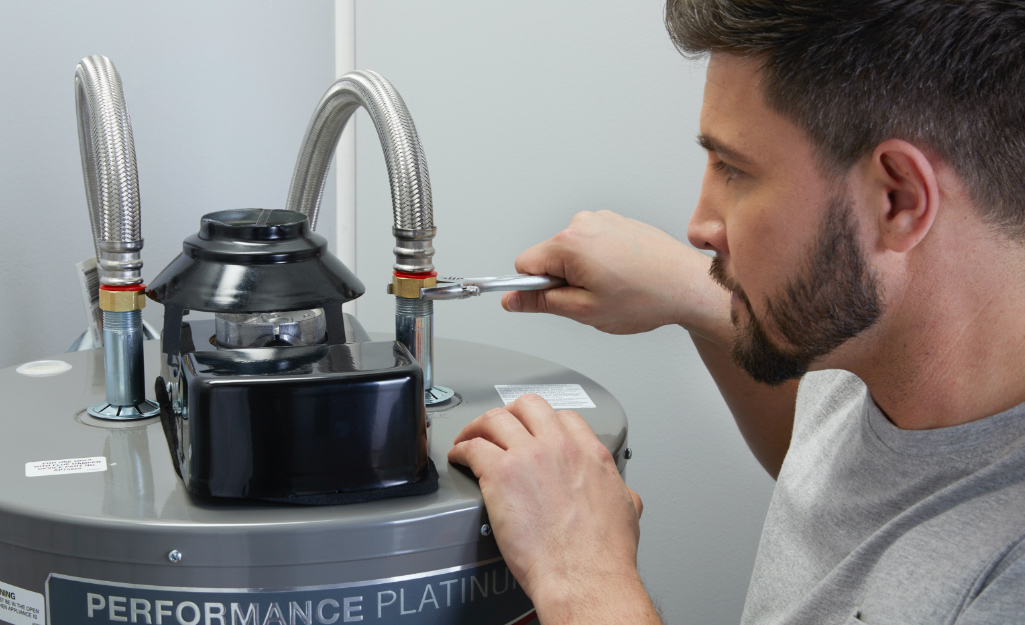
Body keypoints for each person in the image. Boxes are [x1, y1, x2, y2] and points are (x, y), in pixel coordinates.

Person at [447, 1, 1025, 623]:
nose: (698, 225)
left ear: (898, 200)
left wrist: (584, 583)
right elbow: (840, 483)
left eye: (733, 169)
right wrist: (686, 287)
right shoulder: (870, 344)